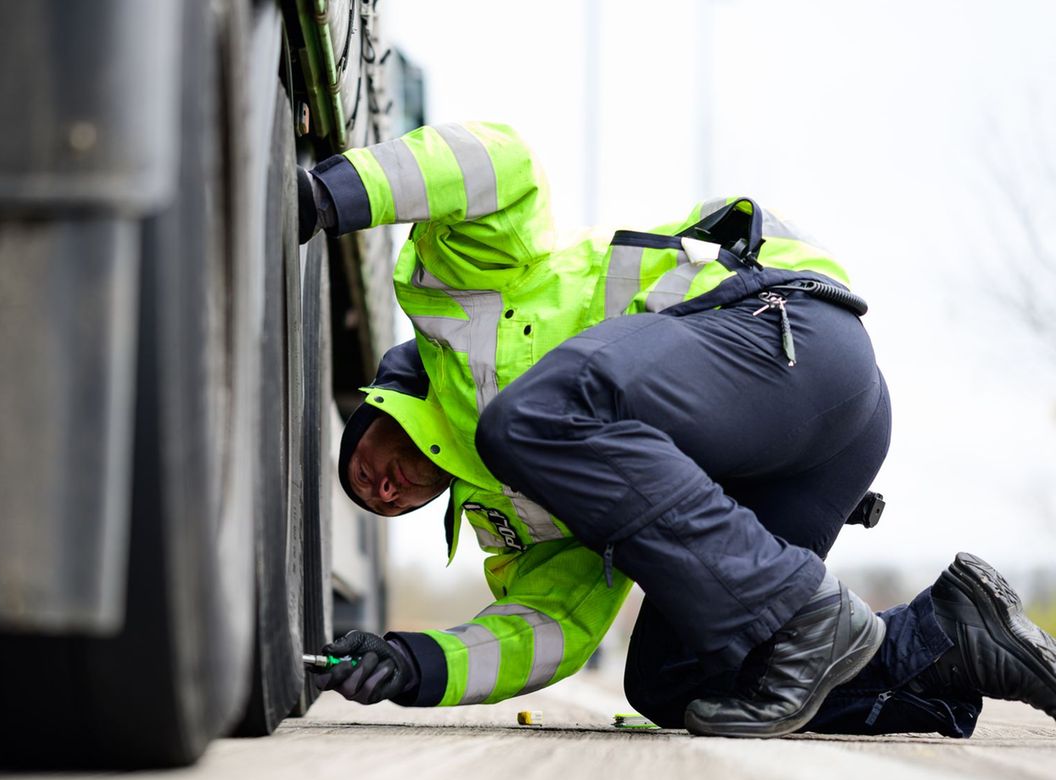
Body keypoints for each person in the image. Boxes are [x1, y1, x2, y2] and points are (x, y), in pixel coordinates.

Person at [299, 122, 1056, 737]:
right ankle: (948, 641)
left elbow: (496, 160)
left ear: (379, 405)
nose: (385, 490)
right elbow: (553, 626)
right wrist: (413, 663)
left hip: (787, 334)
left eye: (364, 469)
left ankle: (810, 610)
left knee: (526, 419)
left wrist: (327, 194)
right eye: (383, 505)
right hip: (798, 455)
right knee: (678, 681)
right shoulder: (525, 520)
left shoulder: (460, 300)